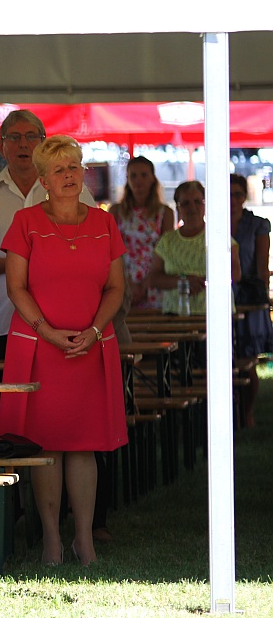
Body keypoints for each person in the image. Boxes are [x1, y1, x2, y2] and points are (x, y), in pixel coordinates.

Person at [0, 135, 128, 567]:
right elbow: (15, 287)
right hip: (41, 348)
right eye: (59, 170)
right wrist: (47, 331)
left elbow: (115, 288)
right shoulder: (25, 221)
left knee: (84, 445)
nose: (69, 175)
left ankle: (84, 540)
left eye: (74, 166)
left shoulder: (105, 223)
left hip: (91, 346)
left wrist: (94, 329)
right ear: (44, 179)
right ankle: (52, 540)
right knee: (47, 446)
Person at [0, 110, 96, 379]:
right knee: (5, 413)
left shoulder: (73, 189)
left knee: (58, 409)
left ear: (44, 143)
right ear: (1, 146)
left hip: (65, 323)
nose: (23, 144)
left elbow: (93, 249)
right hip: (2, 323)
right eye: (14, 137)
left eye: (31, 136)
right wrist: (16, 265)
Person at [147, 181, 241, 316]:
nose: (192, 208)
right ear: (178, 208)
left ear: (205, 205)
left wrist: (202, 282)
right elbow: (154, 278)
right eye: (185, 203)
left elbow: (235, 272)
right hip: (175, 317)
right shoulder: (167, 241)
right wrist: (183, 282)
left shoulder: (219, 236)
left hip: (215, 317)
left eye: (197, 202)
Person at [230, 174, 273, 428]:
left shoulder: (257, 224)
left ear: (244, 196)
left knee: (248, 361)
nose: (233, 200)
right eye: (229, 194)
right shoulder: (214, 222)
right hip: (224, 296)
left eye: (238, 194)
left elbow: (261, 266)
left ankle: (247, 413)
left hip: (248, 296)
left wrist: (259, 297)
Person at [109, 156, 174, 309]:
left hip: (154, 283)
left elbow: (166, 252)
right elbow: (110, 251)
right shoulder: (116, 211)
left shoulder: (165, 213)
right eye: (133, 175)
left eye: (144, 175)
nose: (138, 180)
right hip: (123, 282)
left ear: (153, 178)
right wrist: (127, 283)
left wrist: (147, 283)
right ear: (127, 179)